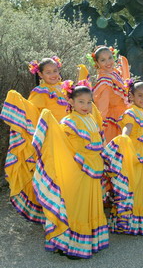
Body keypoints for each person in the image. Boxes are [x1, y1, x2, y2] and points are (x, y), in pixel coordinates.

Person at [32, 81, 109, 259]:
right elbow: (60, 144)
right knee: (76, 205)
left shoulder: (91, 118)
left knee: (88, 203)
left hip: (92, 168)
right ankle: (69, 243)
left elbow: (98, 142)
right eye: (81, 102)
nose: (85, 106)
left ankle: (84, 241)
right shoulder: (68, 121)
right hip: (76, 170)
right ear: (71, 102)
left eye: (89, 102)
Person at [0, 56, 68, 223]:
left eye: (55, 71)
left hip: (68, 135)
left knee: (67, 171)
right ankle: (51, 209)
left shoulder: (65, 88)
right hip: (51, 138)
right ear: (41, 75)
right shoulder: (40, 92)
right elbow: (32, 114)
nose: (53, 75)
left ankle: (67, 206)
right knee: (53, 173)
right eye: (48, 72)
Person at [102, 80, 143, 235]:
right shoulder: (131, 113)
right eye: (140, 96)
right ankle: (132, 222)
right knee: (137, 186)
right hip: (136, 156)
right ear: (131, 96)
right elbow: (127, 129)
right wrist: (123, 139)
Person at [92, 45, 130, 142]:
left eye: (110, 58)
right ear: (97, 63)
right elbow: (102, 106)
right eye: (103, 60)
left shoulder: (113, 72)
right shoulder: (104, 82)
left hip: (124, 112)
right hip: (115, 119)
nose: (108, 62)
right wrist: (100, 126)